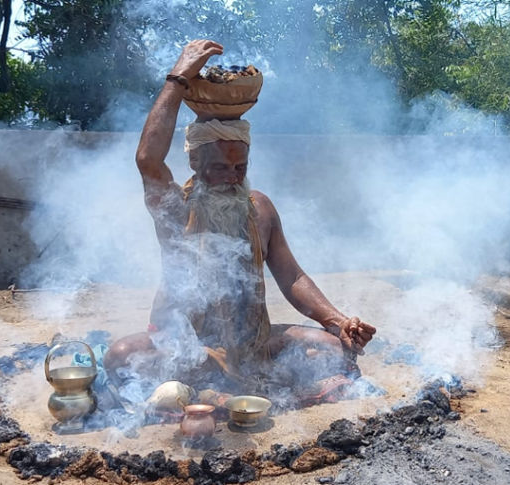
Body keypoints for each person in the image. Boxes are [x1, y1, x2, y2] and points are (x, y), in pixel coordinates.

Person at [104, 39, 376, 403]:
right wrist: (177, 78)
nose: (232, 177)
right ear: (195, 164)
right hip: (188, 347)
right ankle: (219, 390)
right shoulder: (175, 208)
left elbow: (292, 276)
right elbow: (147, 161)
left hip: (254, 343)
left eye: (240, 167)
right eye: (219, 167)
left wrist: (338, 322)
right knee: (121, 357)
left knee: (333, 349)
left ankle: (215, 392)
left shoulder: (259, 208)